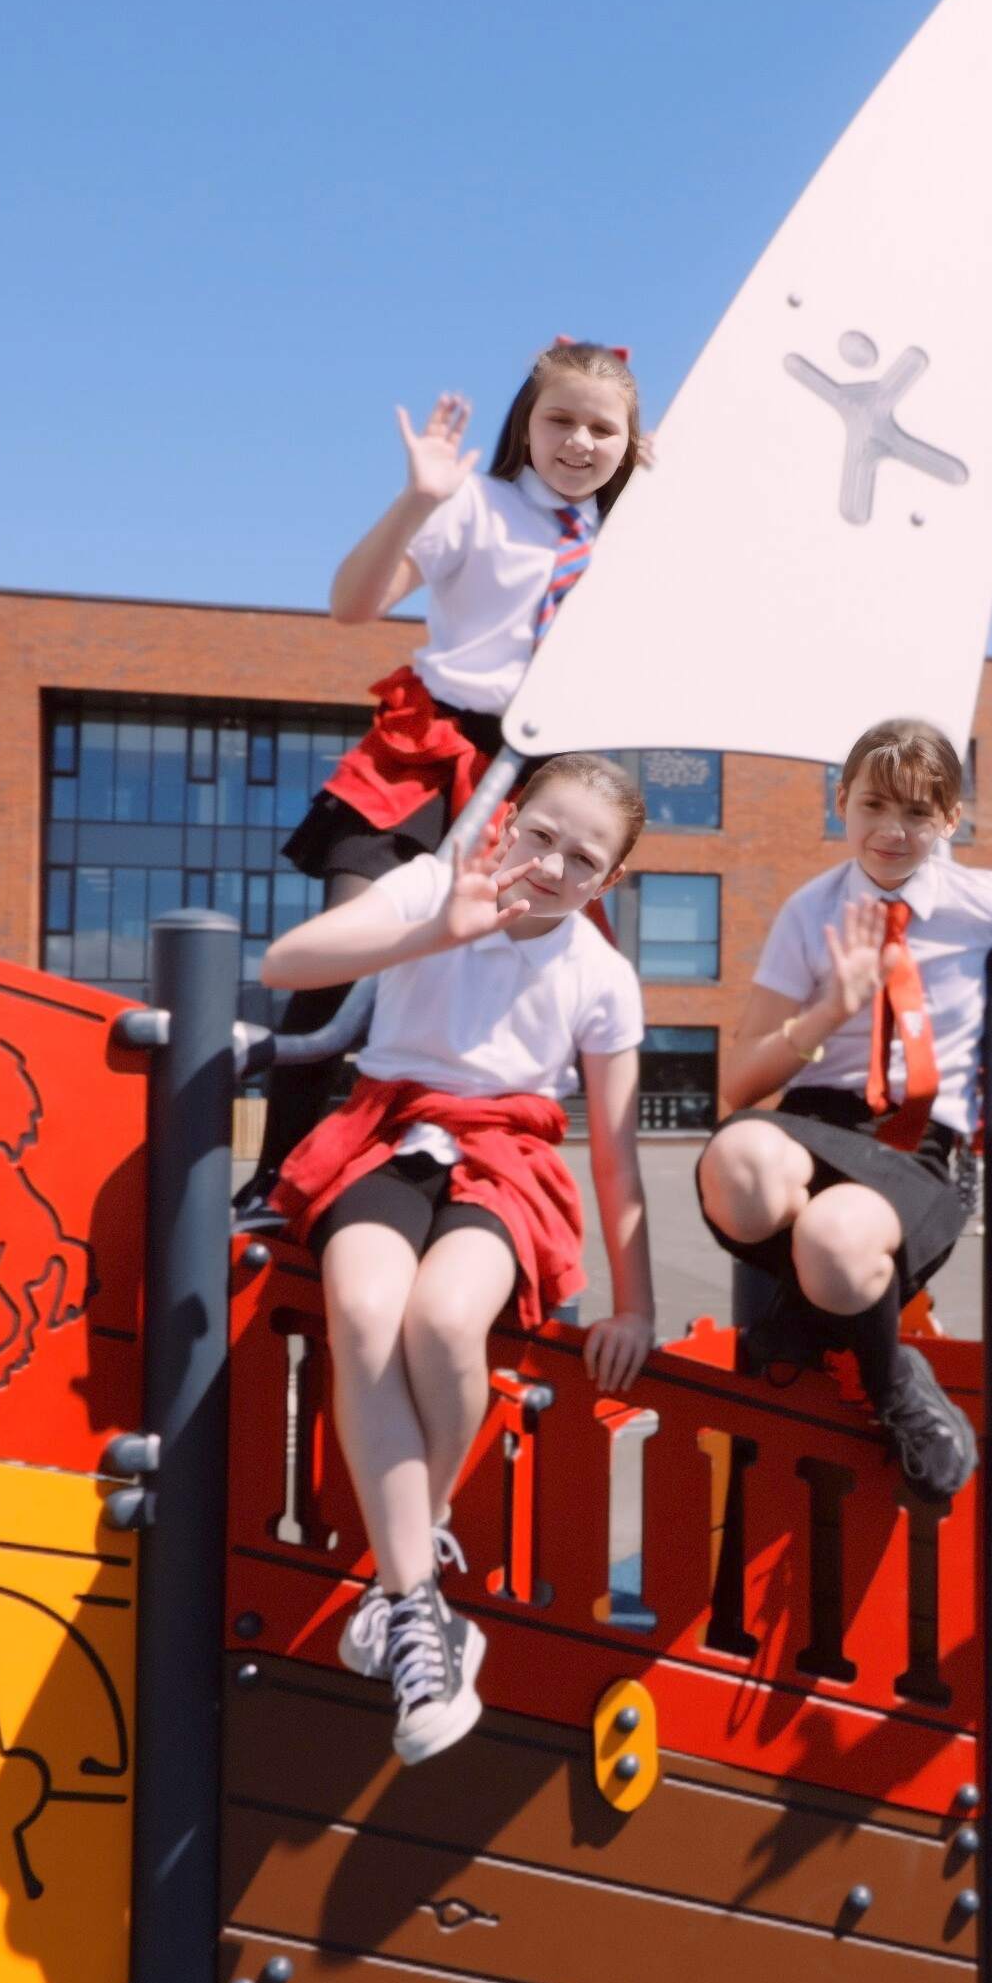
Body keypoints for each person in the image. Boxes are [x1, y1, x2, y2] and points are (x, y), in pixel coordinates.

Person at [257, 754, 661, 1766]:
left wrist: (637, 1305)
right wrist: (439, 928)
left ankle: (409, 1565)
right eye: (544, 835)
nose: (555, 864)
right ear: (510, 818)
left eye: (586, 859)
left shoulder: (600, 974)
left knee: (441, 1322)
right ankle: (419, 1610)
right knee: (363, 1312)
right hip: (388, 1131)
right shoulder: (435, 883)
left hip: (505, 1156)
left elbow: (615, 1154)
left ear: (606, 884)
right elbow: (286, 964)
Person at [249, 339, 656, 1208]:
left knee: (513, 967)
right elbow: (352, 605)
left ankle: (470, 1174)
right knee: (350, 948)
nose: (579, 443)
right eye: (560, 420)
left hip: (543, 771)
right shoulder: (479, 505)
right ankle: (277, 1173)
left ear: (630, 444)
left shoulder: (634, 546)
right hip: (432, 744)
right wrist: (417, 500)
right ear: (526, 422)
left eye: (602, 429)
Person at [698, 719, 992, 1498]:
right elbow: (739, 1085)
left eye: (919, 814)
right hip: (818, 1119)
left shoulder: (982, 898)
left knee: (833, 1241)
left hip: (919, 1141)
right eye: (874, 805)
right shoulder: (811, 911)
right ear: (842, 803)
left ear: (950, 821)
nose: (892, 831)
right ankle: (845, 1329)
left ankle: (888, 1380)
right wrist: (832, 1009)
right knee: (739, 1161)